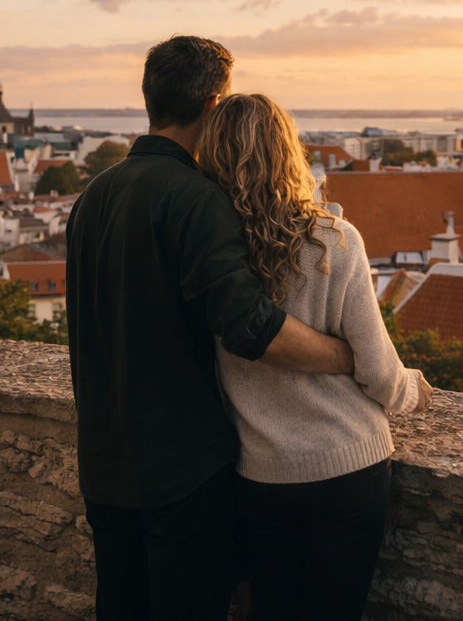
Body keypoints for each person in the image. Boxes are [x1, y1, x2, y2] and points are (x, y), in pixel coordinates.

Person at [65, 36, 357, 621]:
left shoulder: (94, 195)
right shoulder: (195, 199)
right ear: (214, 104)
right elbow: (252, 327)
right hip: (182, 471)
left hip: (104, 463)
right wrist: (347, 357)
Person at [199, 92, 433, 621]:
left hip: (262, 470)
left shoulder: (212, 255)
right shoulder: (334, 242)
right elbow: (377, 367)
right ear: (288, 152)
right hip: (348, 463)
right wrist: (412, 389)